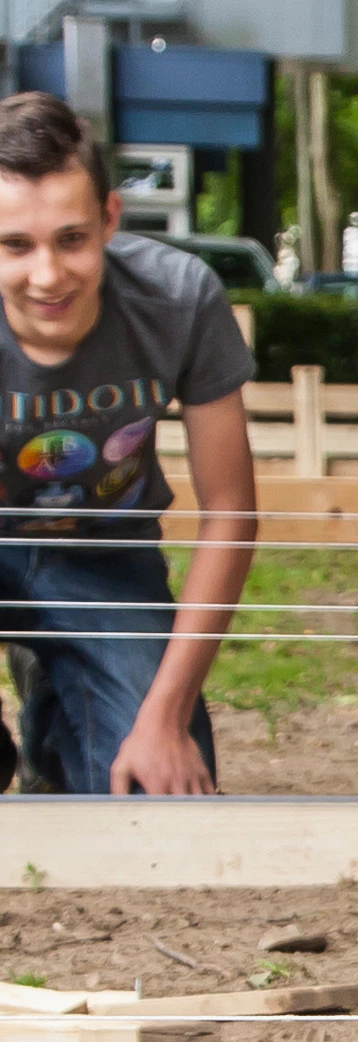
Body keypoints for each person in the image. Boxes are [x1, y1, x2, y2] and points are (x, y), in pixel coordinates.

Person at [0, 91, 255, 794]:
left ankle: (60, 702)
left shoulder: (180, 299)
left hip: (104, 555)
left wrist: (165, 717)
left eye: (71, 238)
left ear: (110, 219)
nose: (47, 275)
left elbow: (231, 510)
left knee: (156, 794)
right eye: (15, 244)